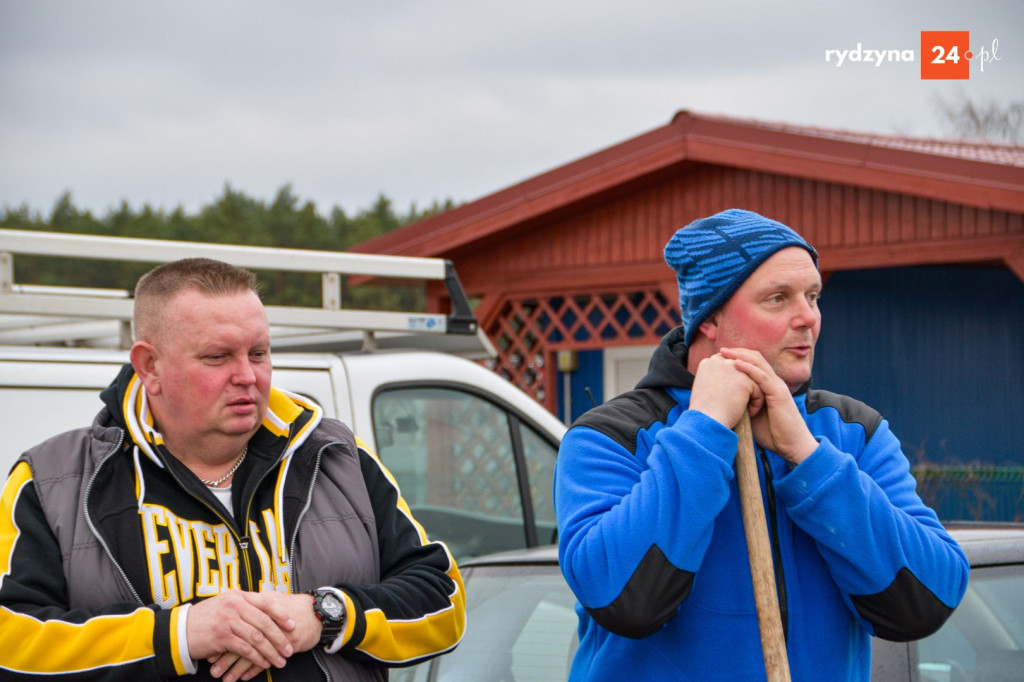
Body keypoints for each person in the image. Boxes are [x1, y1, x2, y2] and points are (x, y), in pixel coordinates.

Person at [0, 258, 465, 681]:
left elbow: (444, 598)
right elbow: (10, 641)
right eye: (217, 357)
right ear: (149, 366)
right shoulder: (50, 481)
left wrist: (326, 615)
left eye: (259, 353)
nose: (247, 376)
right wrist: (178, 634)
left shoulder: (338, 458)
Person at [554, 208, 969, 681]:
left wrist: (810, 460)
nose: (808, 318)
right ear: (709, 318)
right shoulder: (612, 438)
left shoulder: (852, 433)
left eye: (813, 296)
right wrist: (704, 432)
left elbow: (925, 603)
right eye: (778, 299)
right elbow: (625, 600)